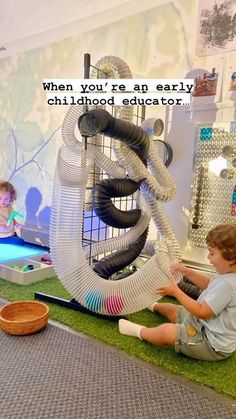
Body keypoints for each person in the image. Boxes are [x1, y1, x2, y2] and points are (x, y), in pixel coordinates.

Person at [119, 223, 236, 361]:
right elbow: (209, 285)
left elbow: (201, 311)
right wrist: (187, 272)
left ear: (231, 258)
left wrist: (176, 292)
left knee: (167, 331)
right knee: (172, 309)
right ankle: (152, 305)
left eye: (211, 253)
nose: (208, 258)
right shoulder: (228, 275)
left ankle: (139, 331)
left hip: (210, 342)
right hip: (203, 324)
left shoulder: (229, 285)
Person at [0, 180, 24, 245]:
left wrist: (16, 224)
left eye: (6, 199)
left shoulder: (9, 207)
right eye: (0, 198)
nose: (3, 201)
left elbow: (11, 218)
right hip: (1, 236)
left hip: (10, 233)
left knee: (20, 241)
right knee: (18, 242)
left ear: (11, 198)